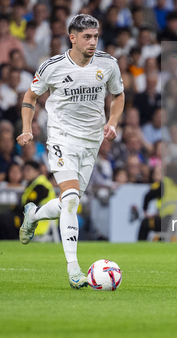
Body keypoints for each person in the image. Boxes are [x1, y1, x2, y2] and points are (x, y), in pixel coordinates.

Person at [16, 14, 125, 289]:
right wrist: (27, 128)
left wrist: (112, 122)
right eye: (87, 36)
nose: (92, 41)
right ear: (72, 37)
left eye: (96, 36)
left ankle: (34, 214)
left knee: (69, 202)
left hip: (91, 142)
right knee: (73, 199)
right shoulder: (52, 66)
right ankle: (74, 269)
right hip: (62, 138)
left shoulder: (108, 64)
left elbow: (119, 95)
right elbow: (30, 96)